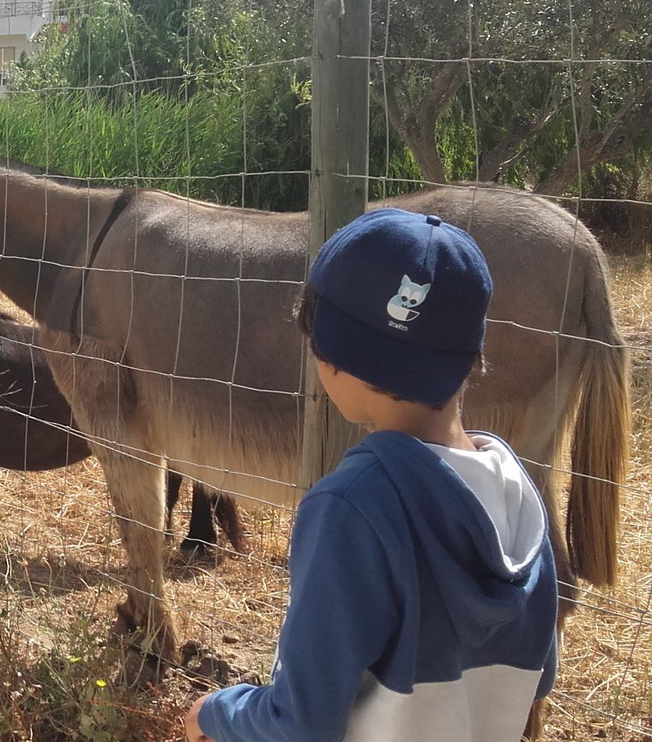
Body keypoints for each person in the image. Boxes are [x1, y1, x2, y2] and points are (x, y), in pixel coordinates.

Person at [185, 209, 558, 742]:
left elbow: (300, 725)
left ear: (339, 356)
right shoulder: (519, 497)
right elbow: (539, 678)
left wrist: (214, 711)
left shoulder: (351, 507)